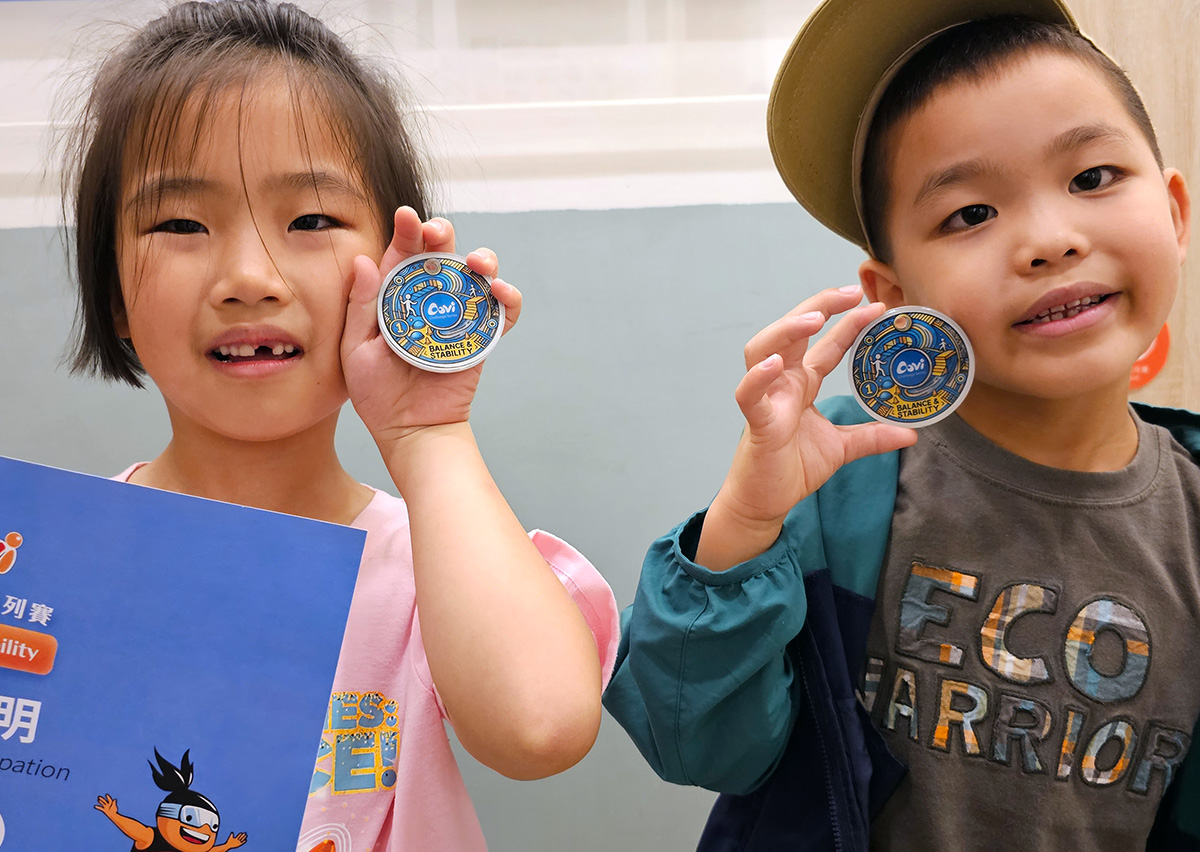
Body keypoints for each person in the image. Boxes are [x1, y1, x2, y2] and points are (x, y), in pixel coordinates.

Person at [603, 0, 1200, 849]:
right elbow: (693, 739)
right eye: (970, 214)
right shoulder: (840, 482)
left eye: (1092, 178)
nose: (1050, 240)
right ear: (895, 297)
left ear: (1174, 215)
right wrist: (746, 519)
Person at [61, 2, 618, 850]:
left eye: (311, 221)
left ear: (394, 278)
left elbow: (540, 727)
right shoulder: (46, 563)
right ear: (114, 296)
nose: (250, 277)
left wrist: (428, 438)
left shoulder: (443, 563)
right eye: (180, 224)